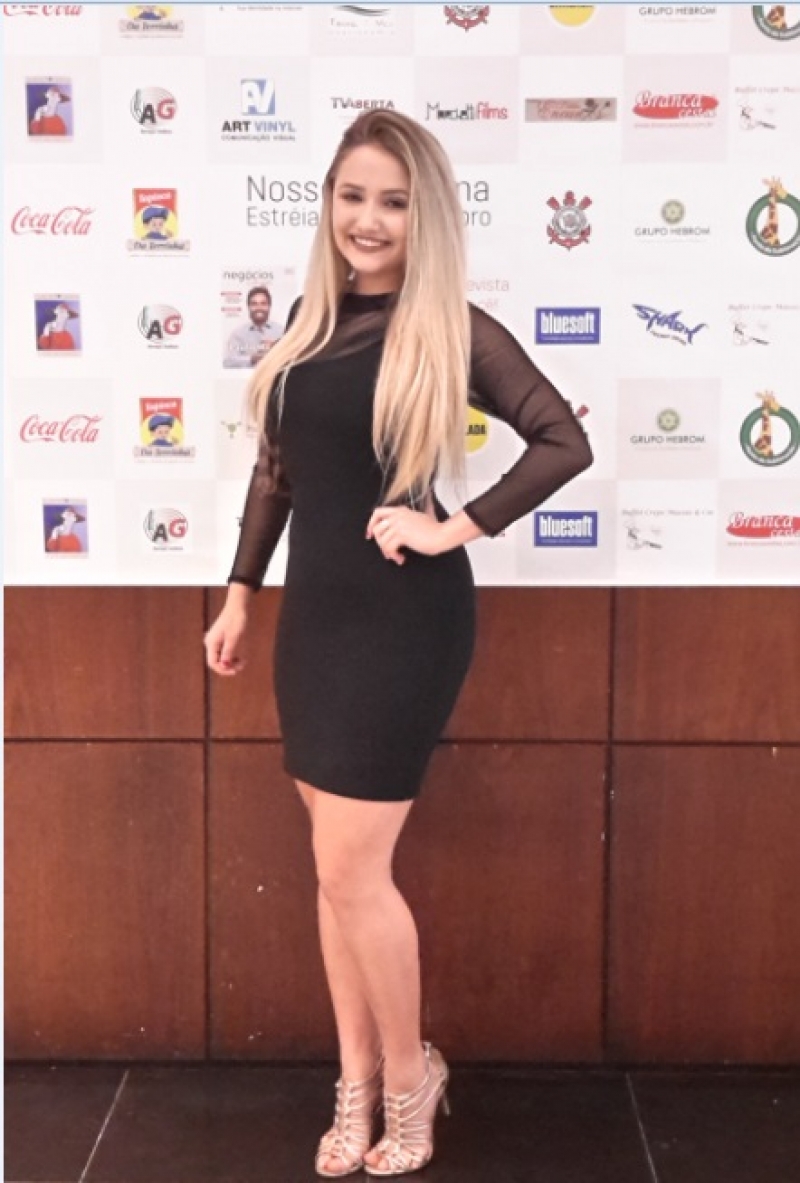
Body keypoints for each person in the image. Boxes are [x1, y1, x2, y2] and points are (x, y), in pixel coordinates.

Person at [204, 108, 592, 1177]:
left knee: (350, 866)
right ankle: (359, 1082)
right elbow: (276, 473)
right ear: (328, 202)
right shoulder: (306, 321)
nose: (367, 220)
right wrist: (239, 594)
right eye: (352, 195)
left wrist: (451, 526)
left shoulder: (450, 327)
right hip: (315, 618)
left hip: (404, 619)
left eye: (393, 202)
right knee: (334, 873)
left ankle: (412, 1079)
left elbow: (562, 440)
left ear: (426, 218)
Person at [224, 286, 283, 368]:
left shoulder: (281, 332)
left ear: (269, 306)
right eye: (254, 304)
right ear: (248, 307)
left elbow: (291, 358)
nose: (259, 308)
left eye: (263, 303)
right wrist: (252, 359)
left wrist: (275, 349)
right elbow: (228, 362)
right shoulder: (238, 334)